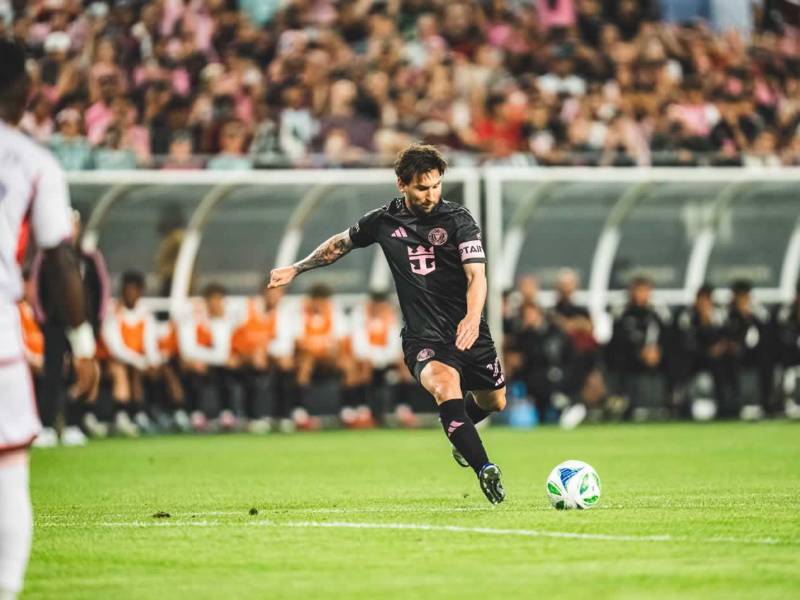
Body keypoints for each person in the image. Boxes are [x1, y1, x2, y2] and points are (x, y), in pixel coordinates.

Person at [269, 143, 506, 504]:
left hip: (468, 328)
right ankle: (484, 467)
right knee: (445, 387)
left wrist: (473, 317)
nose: (431, 195)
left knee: (495, 401)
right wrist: (296, 268)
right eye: (422, 188)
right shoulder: (382, 221)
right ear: (402, 184)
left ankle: (460, 432)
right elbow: (340, 245)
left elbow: (477, 276)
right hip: (423, 336)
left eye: (436, 186)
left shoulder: (459, 220)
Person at [0, 39, 99, 600]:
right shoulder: (33, 162)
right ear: (22, 91)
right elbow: (59, 258)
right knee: (9, 472)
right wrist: (83, 343)